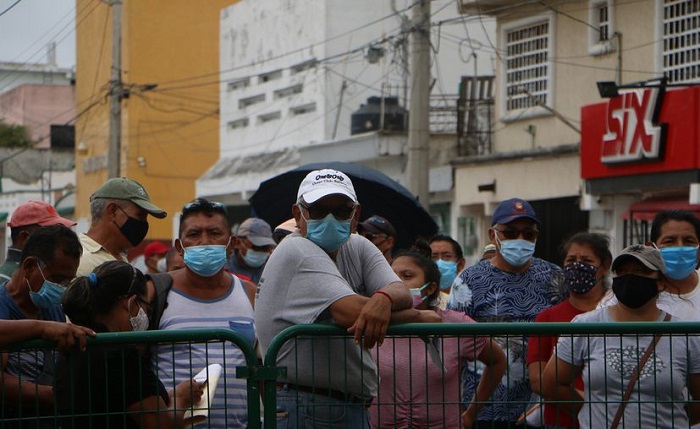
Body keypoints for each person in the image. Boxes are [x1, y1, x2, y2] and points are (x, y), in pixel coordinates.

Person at [255, 169, 423, 428]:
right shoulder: (297, 250)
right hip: (305, 404)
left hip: (343, 405)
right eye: (319, 210)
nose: (331, 218)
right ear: (298, 214)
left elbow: (400, 292)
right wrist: (416, 316)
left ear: (355, 216)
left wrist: (382, 299)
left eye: (342, 210)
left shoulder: (358, 245)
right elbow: (351, 312)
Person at [541, 244, 700, 428]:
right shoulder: (586, 326)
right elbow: (551, 384)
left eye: (641, 272)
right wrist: (590, 413)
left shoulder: (684, 333)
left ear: (661, 282)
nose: (630, 278)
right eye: (622, 272)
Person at [447, 197, 565, 428]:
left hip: (541, 408)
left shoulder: (554, 276)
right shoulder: (469, 281)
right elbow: (454, 346)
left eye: (528, 234)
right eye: (511, 233)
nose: (520, 239)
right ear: (493, 235)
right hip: (484, 410)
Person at [371, 243, 506, 429]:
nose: (397, 283)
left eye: (407, 276)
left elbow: (498, 361)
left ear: (430, 288)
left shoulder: (455, 325)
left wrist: (471, 413)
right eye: (392, 277)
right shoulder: (374, 324)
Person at [57, 260, 205, 428]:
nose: (146, 318)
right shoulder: (123, 356)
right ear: (132, 303)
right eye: (147, 310)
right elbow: (159, 425)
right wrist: (181, 400)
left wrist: (171, 395)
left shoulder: (73, 347)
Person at [151, 198, 256, 428]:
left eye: (215, 233)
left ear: (231, 244)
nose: (204, 242)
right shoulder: (156, 292)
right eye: (194, 234)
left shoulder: (249, 293)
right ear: (179, 246)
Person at [526, 232, 612, 428]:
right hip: (561, 421)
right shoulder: (547, 319)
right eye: (571, 260)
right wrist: (591, 410)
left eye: (587, 260)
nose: (577, 266)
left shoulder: (618, 314)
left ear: (605, 265)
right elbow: (538, 380)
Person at [0, 225, 83, 424]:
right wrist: (53, 396)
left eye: (68, 281)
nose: (61, 288)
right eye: (57, 279)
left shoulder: (52, 308)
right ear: (29, 266)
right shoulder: (2, 304)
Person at [77, 177, 167, 276]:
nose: (143, 224)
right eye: (140, 216)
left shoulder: (119, 257)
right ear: (113, 211)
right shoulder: (81, 261)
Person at [0, 200, 76, 281]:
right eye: (49, 237)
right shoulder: (15, 281)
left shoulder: (36, 275)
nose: (56, 243)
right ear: (25, 238)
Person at [226, 217, 276, 284]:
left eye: (265, 248)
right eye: (256, 247)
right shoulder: (224, 269)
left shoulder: (273, 268)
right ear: (238, 242)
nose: (260, 251)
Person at [429, 234, 466, 305]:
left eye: (447, 256)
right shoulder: (421, 302)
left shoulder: (470, 297)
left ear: (461, 264)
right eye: (433, 257)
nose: (439, 262)